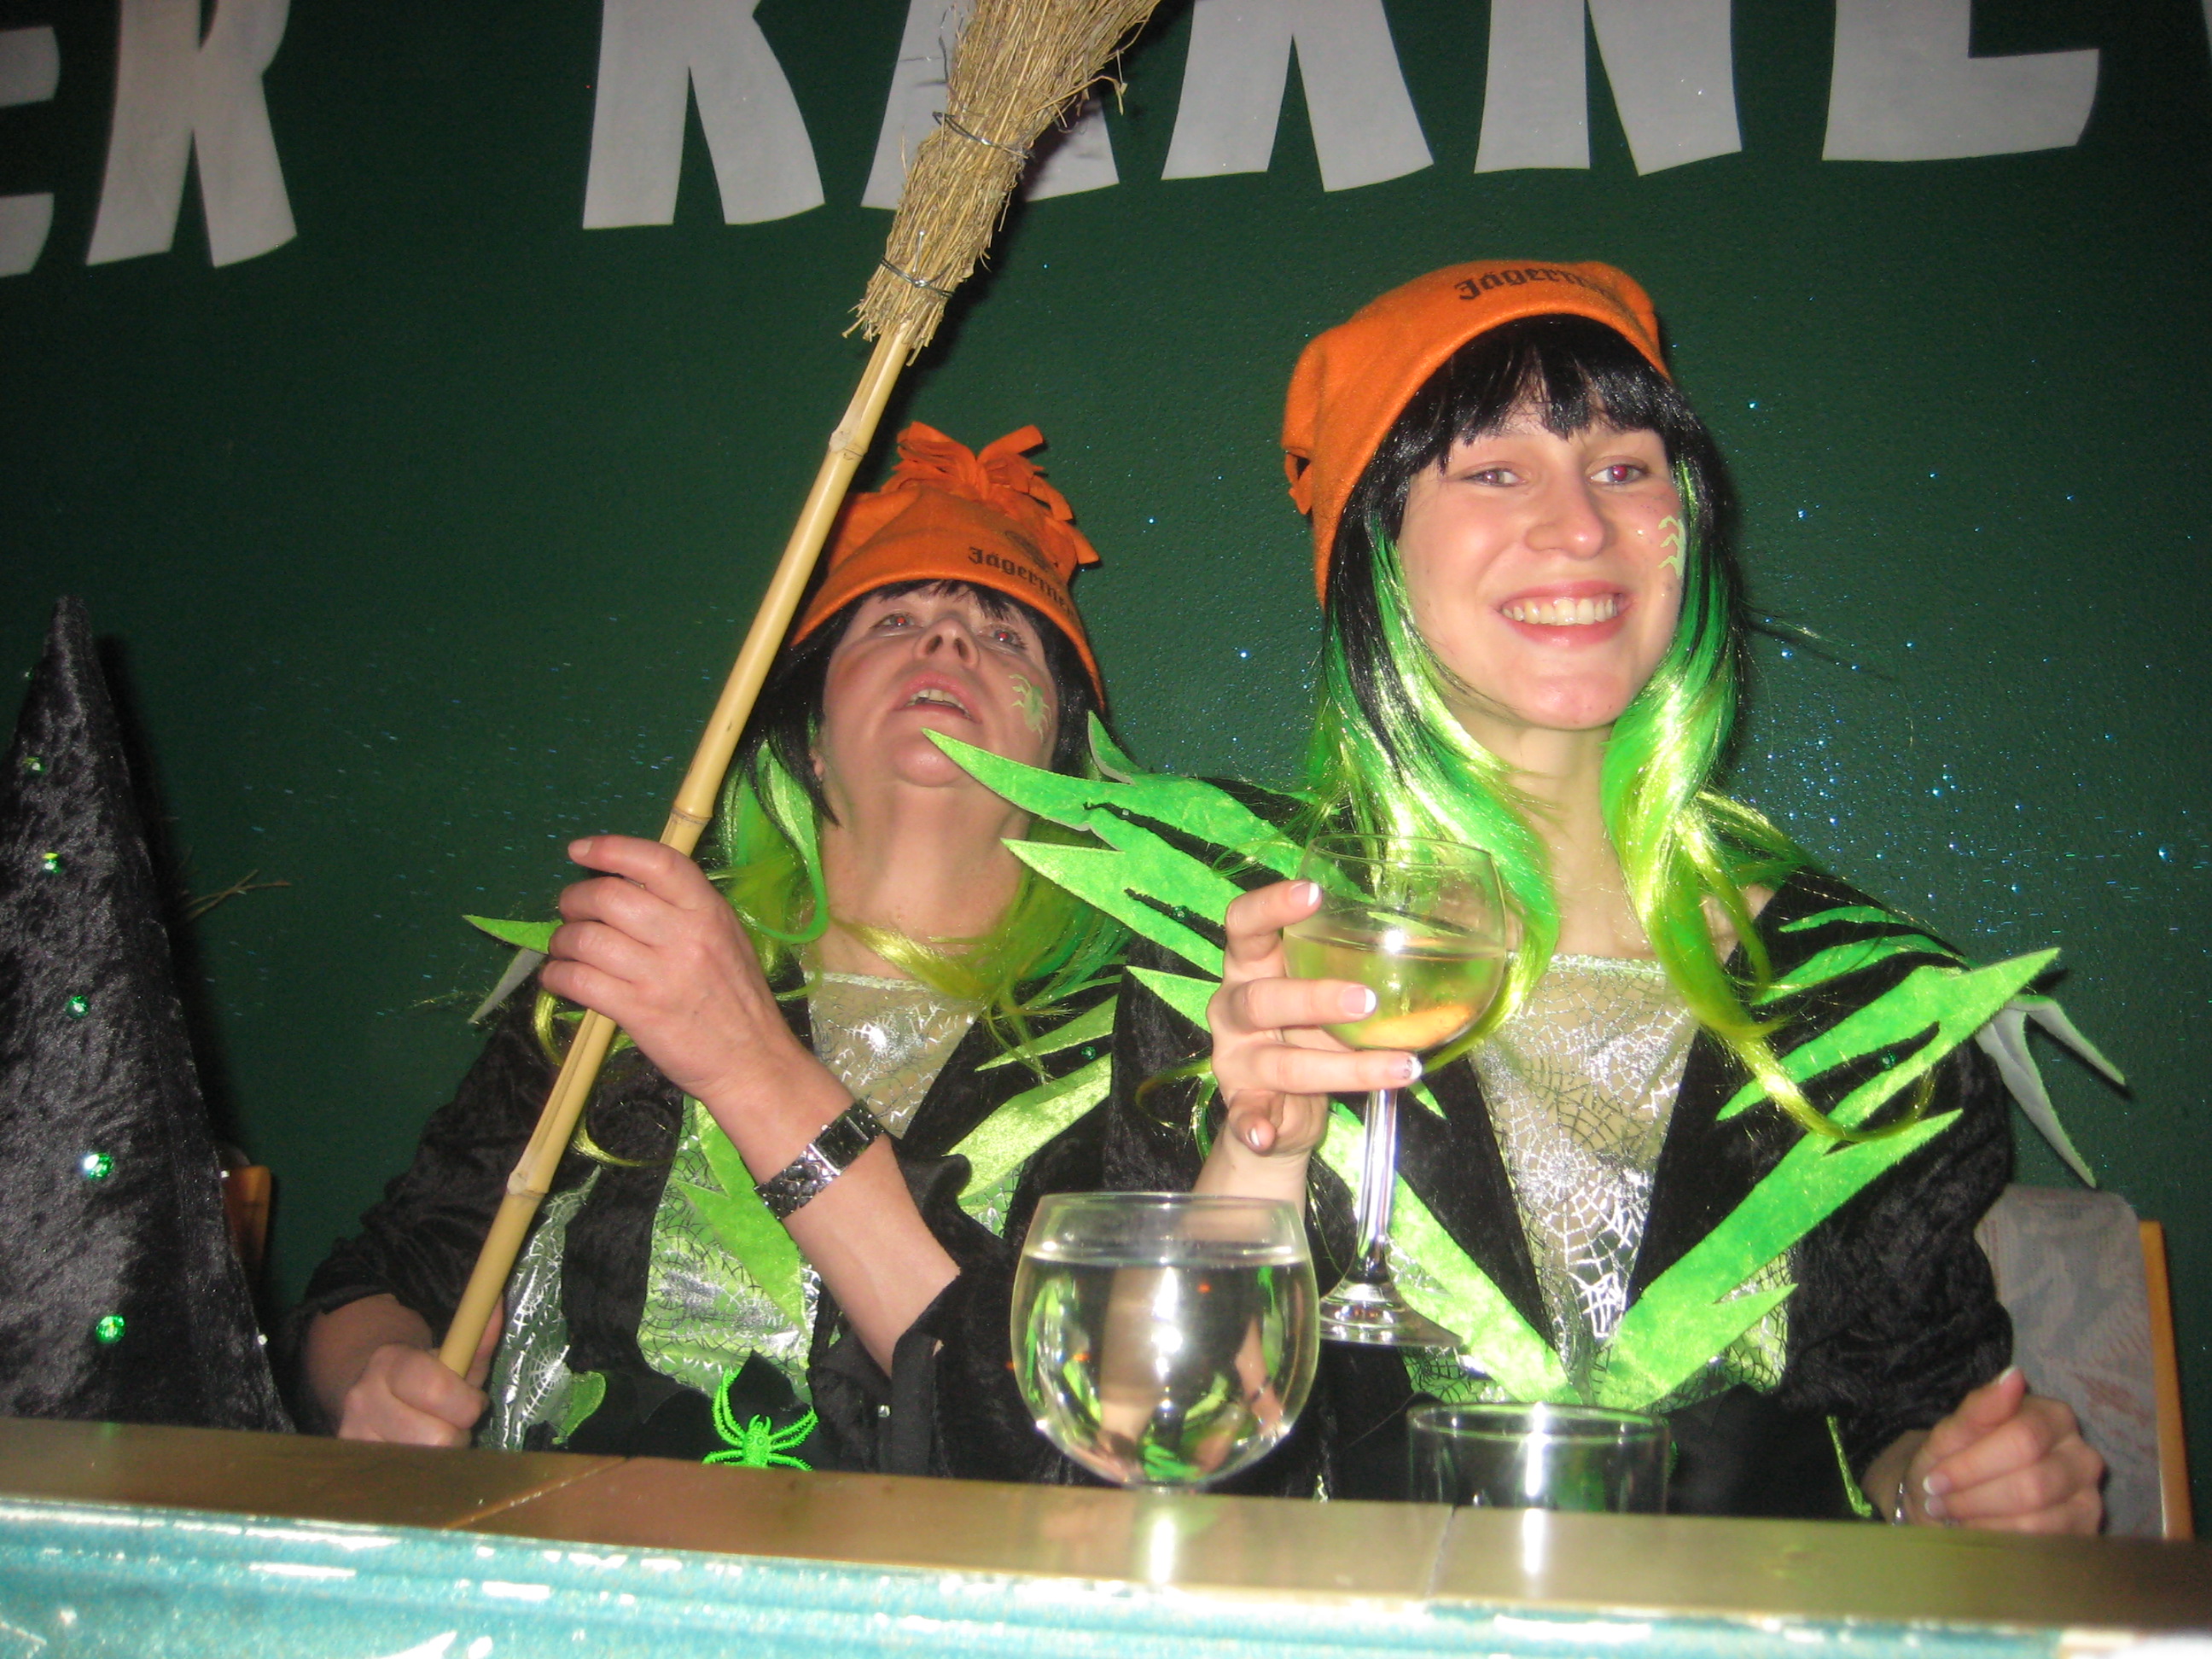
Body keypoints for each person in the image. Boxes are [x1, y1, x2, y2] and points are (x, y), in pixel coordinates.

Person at [1097, 262, 2104, 1528]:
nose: (1580, 526)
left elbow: (1905, 1423)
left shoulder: (1864, 1005)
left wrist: (1960, 1485)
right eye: (1495, 471)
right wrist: (1259, 1157)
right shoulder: (1254, 965)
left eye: (1624, 467)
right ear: (1375, 552)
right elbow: (1145, 1451)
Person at [291, 422, 1125, 1470]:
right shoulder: (631, 970)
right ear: (809, 736)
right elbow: (383, 1275)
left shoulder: (1134, 1037)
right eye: (895, 620)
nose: (950, 642)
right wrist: (374, 1375)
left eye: (1006, 638)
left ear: (1062, 753)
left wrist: (748, 1063)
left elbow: (1077, 1441)